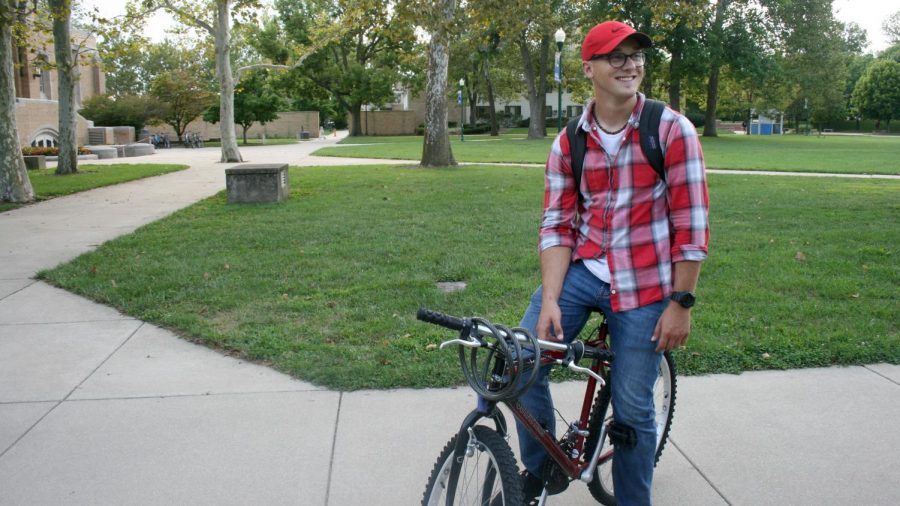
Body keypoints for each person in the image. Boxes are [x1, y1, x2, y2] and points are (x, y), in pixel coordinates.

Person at [515, 20, 710, 505]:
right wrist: (552, 299)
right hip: (584, 271)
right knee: (517, 361)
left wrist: (681, 303)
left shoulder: (671, 130)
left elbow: (692, 224)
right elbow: (557, 226)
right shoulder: (569, 142)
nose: (631, 65)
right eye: (616, 57)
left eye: (636, 55)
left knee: (632, 412)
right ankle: (542, 471)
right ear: (590, 69)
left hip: (645, 283)